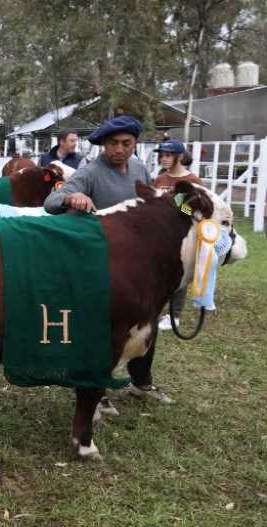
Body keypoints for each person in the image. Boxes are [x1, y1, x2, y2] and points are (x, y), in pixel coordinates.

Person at [43, 115, 174, 407]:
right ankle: (97, 392)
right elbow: (50, 202)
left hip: (138, 264)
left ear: (135, 144)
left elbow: (150, 205)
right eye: (113, 143)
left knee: (146, 322)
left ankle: (141, 382)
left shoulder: (140, 168)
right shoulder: (89, 172)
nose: (119, 149)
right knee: (104, 331)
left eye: (126, 143)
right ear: (103, 145)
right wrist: (71, 197)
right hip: (102, 266)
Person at [152, 139, 203, 331]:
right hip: (158, 234)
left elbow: (199, 212)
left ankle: (175, 315)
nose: (163, 159)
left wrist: (179, 206)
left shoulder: (193, 181)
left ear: (179, 156)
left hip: (183, 236)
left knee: (179, 274)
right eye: (161, 155)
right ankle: (156, 310)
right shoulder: (159, 179)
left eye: (168, 155)